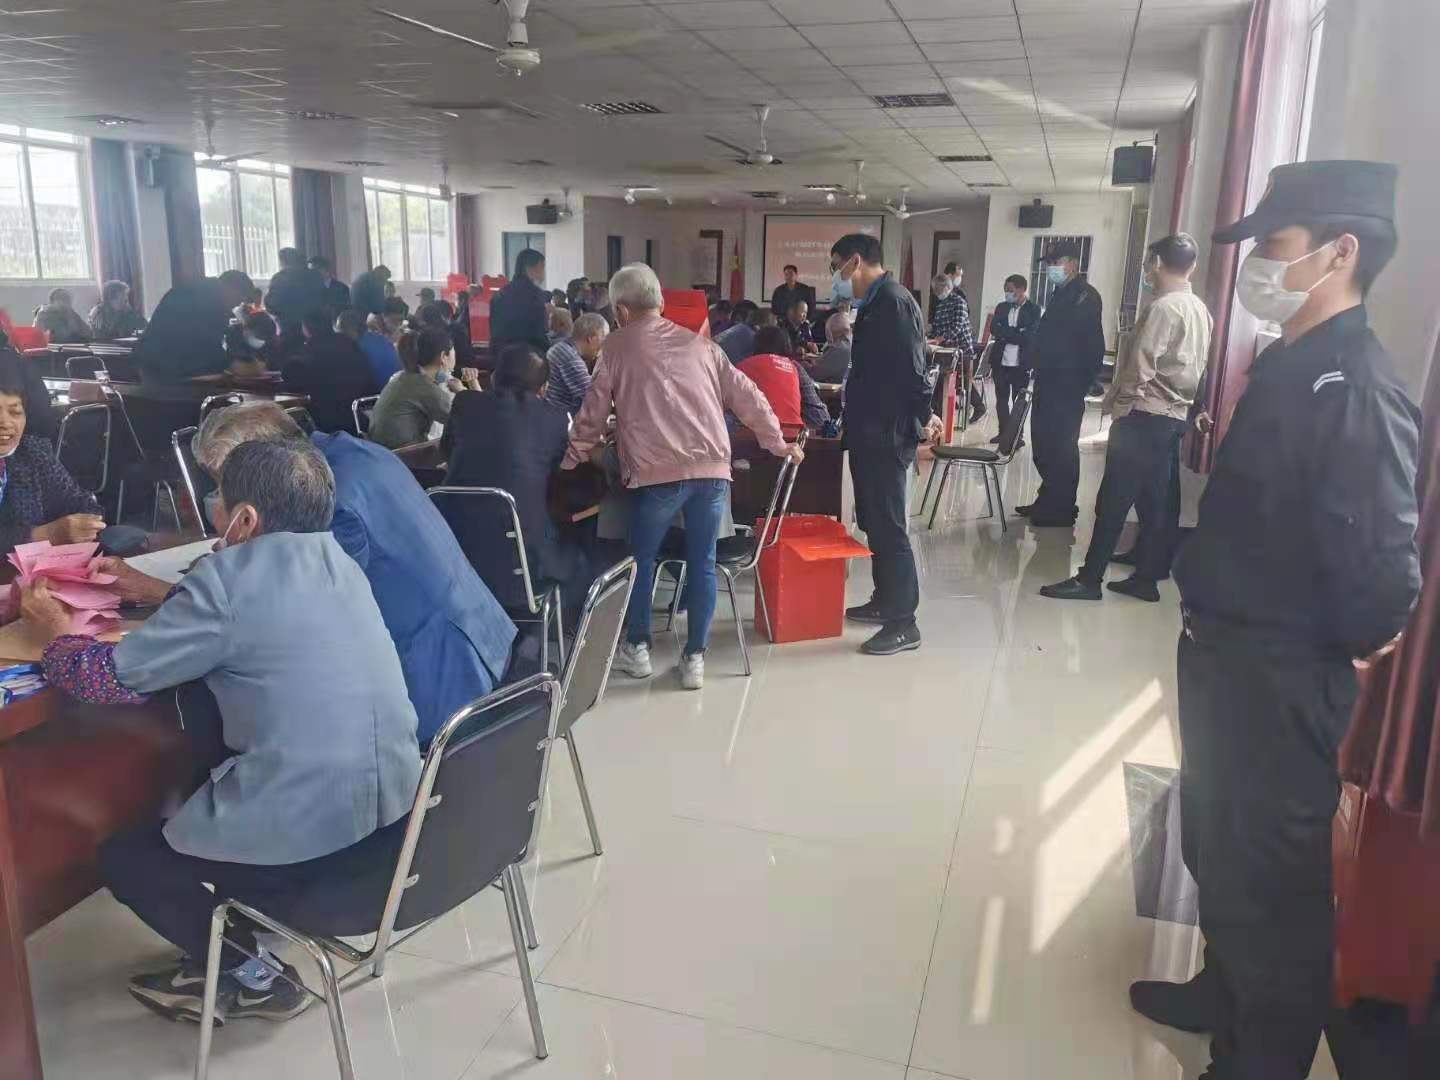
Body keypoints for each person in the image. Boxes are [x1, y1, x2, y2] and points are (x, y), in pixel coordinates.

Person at [1131, 161, 1422, 1080]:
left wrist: (1332, 642)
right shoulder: (1289, 363)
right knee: (1217, 844)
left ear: (1341, 253)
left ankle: (1260, 1060)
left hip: (1281, 676)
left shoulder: (1356, 388)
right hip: (1224, 656)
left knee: (1276, 886)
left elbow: (1383, 574)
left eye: (1276, 244)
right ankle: (1223, 991)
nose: (1258, 262)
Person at [23, 438, 422, 1025]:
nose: (212, 506)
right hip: (393, 824)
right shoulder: (340, 562)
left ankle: (252, 976)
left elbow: (106, 679)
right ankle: (242, 930)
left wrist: (56, 633)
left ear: (246, 518)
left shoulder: (226, 580)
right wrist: (158, 592)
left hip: (316, 843)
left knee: (127, 857)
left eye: (218, 495)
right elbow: (254, 619)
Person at [107, 402, 516, 744]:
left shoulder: (329, 505)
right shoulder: (351, 452)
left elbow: (271, 616)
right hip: (481, 636)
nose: (227, 498)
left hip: (441, 683)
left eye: (228, 482)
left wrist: (163, 590)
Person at [562, 264, 801, 691]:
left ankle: (638, 650)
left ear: (621, 311)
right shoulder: (702, 345)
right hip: (713, 471)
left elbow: (591, 416)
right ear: (660, 303)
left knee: (641, 561)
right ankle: (694, 660)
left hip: (657, 476)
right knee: (703, 561)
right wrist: (777, 444)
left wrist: (571, 459)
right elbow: (748, 395)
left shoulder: (615, 346)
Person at [1041, 234, 1213, 604]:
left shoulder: (1164, 308)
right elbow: (1201, 369)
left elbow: (1139, 366)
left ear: (1156, 263)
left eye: (1148, 263)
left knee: (1113, 500)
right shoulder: (1199, 308)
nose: (1146, 270)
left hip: (1144, 414)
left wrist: (1119, 408)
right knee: (1154, 501)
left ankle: (1089, 580)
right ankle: (1147, 577)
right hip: (1173, 417)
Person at [832, 233, 940, 656]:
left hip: (886, 433)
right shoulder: (875, 303)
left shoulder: (893, 301)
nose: (836, 276)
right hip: (869, 430)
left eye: (837, 266)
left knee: (890, 526)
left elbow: (913, 370)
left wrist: (922, 417)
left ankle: (904, 622)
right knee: (874, 521)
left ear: (855, 261)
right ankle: (884, 600)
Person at [442, 344, 583, 614]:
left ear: (495, 377)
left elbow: (447, 450)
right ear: (544, 389)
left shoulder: (464, 403)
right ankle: (546, 632)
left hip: (455, 551)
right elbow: (562, 472)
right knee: (583, 555)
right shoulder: (554, 419)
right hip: (520, 563)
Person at [1018, 241, 1105, 527]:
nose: (1050, 268)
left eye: (1055, 262)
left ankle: (1062, 508)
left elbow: (1091, 344)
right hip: (1049, 380)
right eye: (1048, 263)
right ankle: (1048, 499)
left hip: (1066, 385)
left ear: (1072, 264)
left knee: (1062, 447)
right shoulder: (1061, 294)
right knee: (1044, 444)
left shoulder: (1085, 296)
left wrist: (1083, 382)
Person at [0, 357, 104, 556]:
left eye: (15, 412)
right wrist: (44, 534)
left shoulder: (32, 452)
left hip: (37, 569)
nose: (5, 422)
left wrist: (86, 525)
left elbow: (81, 504)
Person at [132, 270, 255, 381]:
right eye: (239, 299)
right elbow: (207, 345)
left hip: (151, 362)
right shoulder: (211, 301)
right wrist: (235, 365)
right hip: (168, 367)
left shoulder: (195, 290)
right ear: (232, 288)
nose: (236, 304)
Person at [368, 325, 478, 449]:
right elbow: (470, 421)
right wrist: (462, 391)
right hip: (404, 454)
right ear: (443, 356)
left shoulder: (404, 377)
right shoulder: (425, 387)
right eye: (453, 351)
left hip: (382, 451)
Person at [282, 308, 379, 434]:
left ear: (305, 328)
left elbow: (290, 379)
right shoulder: (349, 343)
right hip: (362, 417)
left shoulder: (309, 351)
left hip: (329, 424)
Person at [738, 325, 829, 431]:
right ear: (786, 346)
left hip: (746, 436)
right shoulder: (794, 367)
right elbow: (820, 419)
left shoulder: (741, 368)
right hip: (790, 435)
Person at [988, 274, 1041, 441]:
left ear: (1022, 289)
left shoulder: (1034, 310)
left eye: (1010, 290)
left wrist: (1006, 333)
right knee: (1001, 400)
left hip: (1021, 364)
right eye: (1006, 290)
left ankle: (1017, 436)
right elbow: (994, 329)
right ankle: (1003, 433)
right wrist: (1017, 332)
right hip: (1000, 362)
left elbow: (1029, 337)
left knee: (1019, 400)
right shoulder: (1001, 307)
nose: (1007, 294)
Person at [928, 273, 985, 424]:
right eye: (934, 290)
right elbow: (936, 327)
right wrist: (930, 337)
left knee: (962, 381)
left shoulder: (959, 302)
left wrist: (941, 338)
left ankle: (979, 407)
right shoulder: (940, 305)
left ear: (948, 287)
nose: (936, 293)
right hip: (944, 350)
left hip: (962, 349)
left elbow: (957, 327)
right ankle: (938, 413)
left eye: (938, 289)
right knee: (940, 379)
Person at [546, 311, 608, 415]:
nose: (602, 348)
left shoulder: (562, 348)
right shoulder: (570, 358)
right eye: (603, 341)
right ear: (592, 339)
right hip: (562, 419)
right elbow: (593, 398)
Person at [491, 249, 550, 356]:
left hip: (502, 354)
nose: (543, 272)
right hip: (528, 356)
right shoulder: (535, 294)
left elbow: (494, 330)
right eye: (542, 267)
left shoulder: (500, 293)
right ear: (529, 268)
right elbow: (539, 332)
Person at [264, 247, 326, 344]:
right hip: (317, 327)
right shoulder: (316, 275)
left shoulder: (280, 278)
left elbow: (272, 304)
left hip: (289, 330)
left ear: (283, 262)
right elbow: (325, 298)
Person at [337, 306, 400, 388]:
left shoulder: (358, 348)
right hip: (394, 386)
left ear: (351, 329)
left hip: (378, 390)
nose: (340, 337)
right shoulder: (379, 338)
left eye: (342, 332)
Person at [222, 310, 281, 378]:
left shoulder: (271, 339)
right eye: (256, 336)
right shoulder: (234, 334)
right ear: (245, 328)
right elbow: (235, 364)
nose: (258, 340)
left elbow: (274, 364)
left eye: (262, 337)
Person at [811, 312, 853, 383]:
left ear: (831, 332)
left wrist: (802, 366)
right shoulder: (856, 343)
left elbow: (815, 374)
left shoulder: (838, 348)